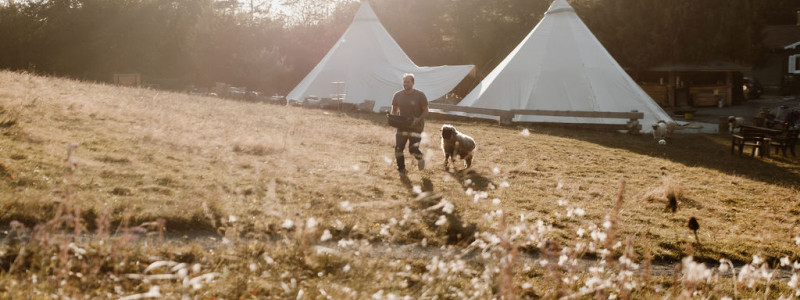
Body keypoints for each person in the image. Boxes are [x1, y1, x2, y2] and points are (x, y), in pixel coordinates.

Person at [391, 73, 428, 174]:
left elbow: (426, 111)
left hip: (416, 127)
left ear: (413, 83)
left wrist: (418, 119)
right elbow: (394, 109)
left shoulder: (420, 95)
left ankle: (420, 159)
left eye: (408, 82)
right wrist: (394, 118)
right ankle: (401, 169)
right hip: (402, 126)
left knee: (413, 150)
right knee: (398, 149)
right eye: (404, 81)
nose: (405, 84)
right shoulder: (397, 95)